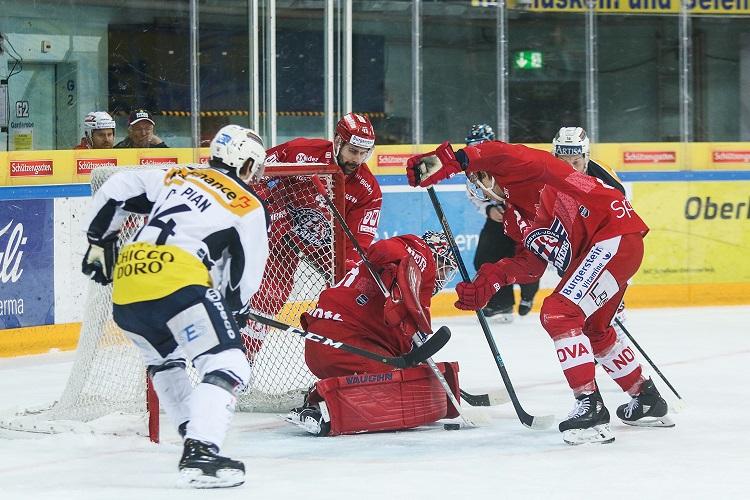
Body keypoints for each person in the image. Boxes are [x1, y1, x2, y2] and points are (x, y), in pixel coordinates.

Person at [406, 139, 674, 445]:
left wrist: (452, 160)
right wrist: (490, 281)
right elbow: (531, 264)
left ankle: (590, 406)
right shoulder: (514, 217)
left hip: (612, 233)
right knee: (595, 330)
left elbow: (503, 153)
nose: (482, 188)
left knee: (559, 313)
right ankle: (646, 398)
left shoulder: (524, 172)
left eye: (480, 179)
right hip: (604, 250)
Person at [81, 124, 269, 487]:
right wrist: (235, 311)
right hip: (178, 278)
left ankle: (194, 442)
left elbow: (116, 188)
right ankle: (201, 452)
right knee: (228, 362)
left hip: (128, 280)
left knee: (165, 362)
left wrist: (99, 241)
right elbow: (245, 276)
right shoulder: (247, 204)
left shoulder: (177, 174)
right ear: (246, 164)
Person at [285, 232, 459, 436]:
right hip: (340, 343)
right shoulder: (418, 251)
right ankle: (321, 407)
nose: (443, 276)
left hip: (335, 344)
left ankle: (321, 398)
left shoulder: (400, 283)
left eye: (448, 272)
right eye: (443, 267)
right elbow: (381, 250)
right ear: (433, 256)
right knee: (398, 386)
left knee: (403, 375)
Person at [245, 112, 383, 356]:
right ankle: (245, 356)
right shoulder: (300, 152)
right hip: (283, 231)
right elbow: (255, 177)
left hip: (327, 246)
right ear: (338, 141)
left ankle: (345, 356)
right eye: (353, 151)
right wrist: (272, 213)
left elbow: (357, 242)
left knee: (356, 289)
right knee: (270, 293)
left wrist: (346, 276)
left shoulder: (367, 189)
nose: (357, 159)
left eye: (364, 153)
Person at [465, 124, 539, 323]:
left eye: (481, 145)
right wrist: (489, 209)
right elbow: (473, 195)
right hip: (498, 220)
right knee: (484, 259)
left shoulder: (508, 161)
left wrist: (515, 209)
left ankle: (528, 294)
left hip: (522, 218)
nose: (476, 151)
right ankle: (501, 304)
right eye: (472, 146)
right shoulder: (472, 169)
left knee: (527, 260)